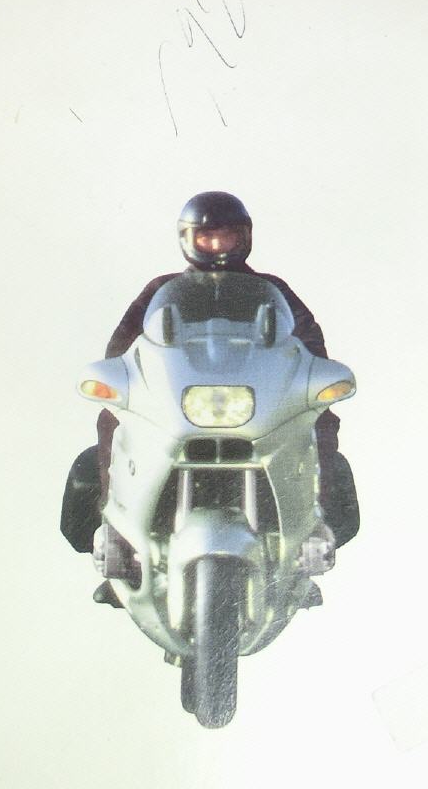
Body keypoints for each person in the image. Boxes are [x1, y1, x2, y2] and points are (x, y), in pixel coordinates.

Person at [63, 192, 358, 573]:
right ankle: (115, 528)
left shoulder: (274, 292)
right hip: (179, 404)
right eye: (207, 237)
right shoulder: (161, 291)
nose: (218, 246)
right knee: (114, 417)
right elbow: (123, 347)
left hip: (259, 404)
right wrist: (122, 378)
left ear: (245, 237)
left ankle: (313, 528)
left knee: (319, 419)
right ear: (188, 239)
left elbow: (309, 342)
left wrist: (313, 377)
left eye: (227, 236)